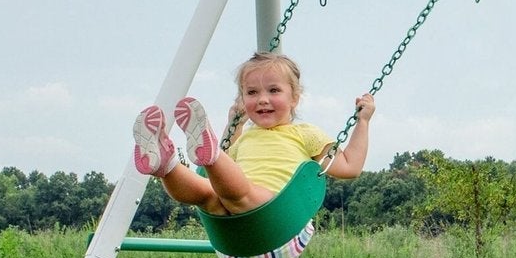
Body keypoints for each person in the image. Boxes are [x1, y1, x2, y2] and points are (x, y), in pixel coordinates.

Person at [132, 52, 375, 220]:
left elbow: (349, 167)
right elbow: (220, 170)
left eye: (274, 90)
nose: (262, 99)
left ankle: (204, 153)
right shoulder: (246, 138)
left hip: (274, 212)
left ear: (295, 98)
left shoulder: (305, 133)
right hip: (229, 217)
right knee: (206, 192)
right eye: (251, 92)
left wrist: (362, 122)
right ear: (242, 99)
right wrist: (234, 124)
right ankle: (165, 163)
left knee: (235, 187)